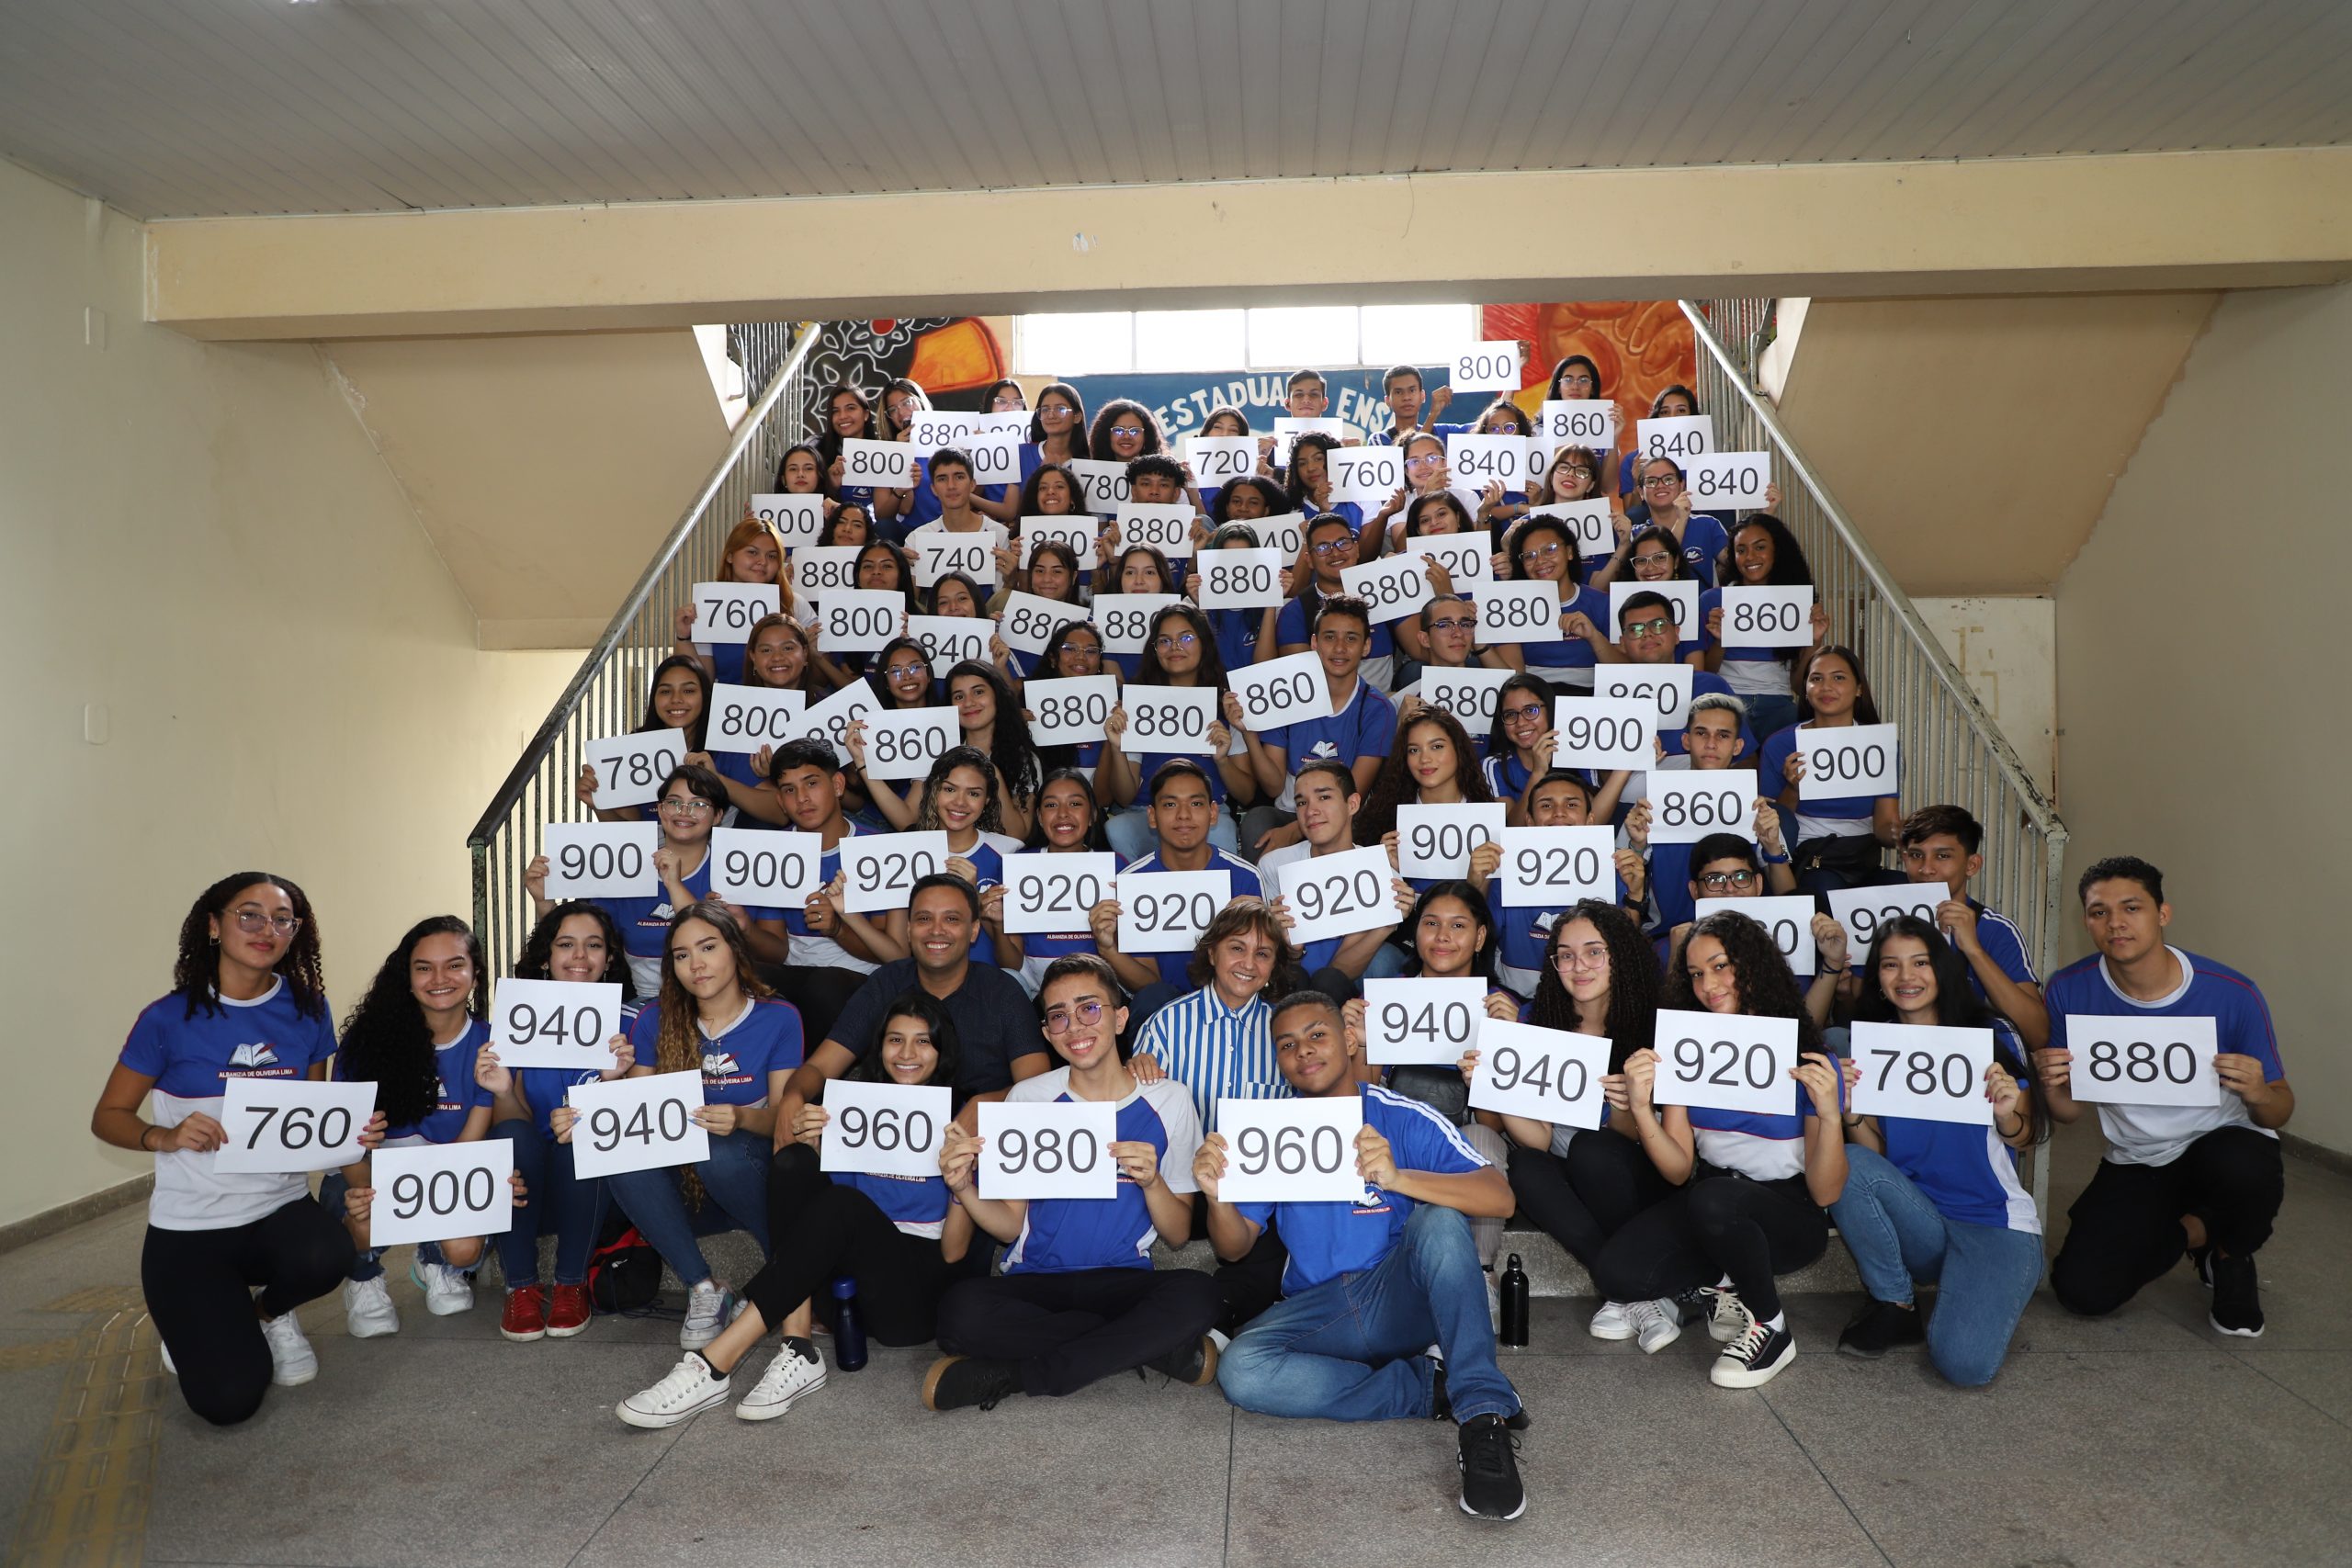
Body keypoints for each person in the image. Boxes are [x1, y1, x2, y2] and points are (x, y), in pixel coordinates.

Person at [1205, 990, 1528, 1524]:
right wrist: (1216, 1197)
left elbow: (1501, 1197)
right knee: (1241, 1370)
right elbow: (1233, 1245)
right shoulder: (1268, 1130)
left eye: (1317, 1035)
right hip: (1318, 1306)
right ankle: (1424, 1389)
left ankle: (1483, 1417)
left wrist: (1401, 1179)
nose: (1304, 1051)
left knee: (1440, 1220)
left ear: (1349, 1039)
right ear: (1278, 1059)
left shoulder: (1400, 1115)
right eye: (1287, 1045)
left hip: (1395, 1295)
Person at [614, 994, 983, 1427]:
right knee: (793, 1163)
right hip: (846, 1286)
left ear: (943, 1052)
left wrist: (962, 1183)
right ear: (879, 1048)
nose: (906, 1054)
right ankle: (798, 1346)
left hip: (912, 1297)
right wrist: (817, 1151)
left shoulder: (962, 1123)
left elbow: (956, 1253)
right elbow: (822, 1215)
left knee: (843, 1205)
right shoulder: (856, 1112)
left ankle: (712, 1365)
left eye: (923, 1042)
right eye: (895, 1039)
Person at [92, 873, 374, 1425]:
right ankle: (197, 1328)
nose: (266, 929)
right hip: (191, 1227)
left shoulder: (309, 1009)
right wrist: (162, 1135)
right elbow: (108, 1117)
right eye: (249, 915)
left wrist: (356, 1139)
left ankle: (265, 1313)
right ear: (214, 926)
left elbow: (310, 1115)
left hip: (278, 1209)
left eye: (282, 919)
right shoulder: (168, 1019)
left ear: (295, 933)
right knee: (229, 1402)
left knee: (330, 1253)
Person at [924, 956, 1222, 1410]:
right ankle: (1149, 1348)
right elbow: (1008, 1228)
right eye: (1058, 1015)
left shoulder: (1170, 1100)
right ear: (1046, 1033)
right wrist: (963, 1187)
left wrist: (1153, 1181)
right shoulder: (1028, 1097)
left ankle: (1021, 1374)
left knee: (1200, 1294)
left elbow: (1179, 1234)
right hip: (1036, 1282)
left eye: (1089, 1008)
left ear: (1120, 1018)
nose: (1074, 1026)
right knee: (957, 1311)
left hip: (1122, 1281)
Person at [1590, 911, 1851, 1388]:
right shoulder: (1687, 1051)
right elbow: (1676, 1170)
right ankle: (1721, 1279)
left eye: (1720, 966)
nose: (1708, 984)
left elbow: (1826, 1192)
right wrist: (1645, 1109)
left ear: (1753, 965)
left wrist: (1831, 1116)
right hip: (1711, 1203)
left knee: (1714, 1196)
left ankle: (1771, 1328)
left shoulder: (1809, 1058)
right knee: (1618, 1274)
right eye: (1695, 974)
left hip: (1787, 1215)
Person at [2039, 857, 2291, 1336]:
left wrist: (2258, 1091)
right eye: (2098, 912)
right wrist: (2054, 1083)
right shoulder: (2069, 991)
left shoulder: (2232, 992)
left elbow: (2281, 1105)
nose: (2115, 923)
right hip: (2136, 1157)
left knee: (2245, 1166)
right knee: (2082, 1293)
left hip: (2221, 1143)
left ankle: (2231, 1255)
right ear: (2086, 922)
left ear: (2162, 914)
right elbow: (2068, 1114)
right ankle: (2202, 1229)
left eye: (2131, 907)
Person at [557, 903, 802, 1350]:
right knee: (622, 1158)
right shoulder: (654, 1019)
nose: (696, 964)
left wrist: (744, 1117)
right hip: (685, 1188)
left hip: (749, 1175)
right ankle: (703, 1287)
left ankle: (786, 1276)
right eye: (682, 955)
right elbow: (635, 1116)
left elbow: (785, 1123)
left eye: (708, 948)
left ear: (735, 949)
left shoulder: (778, 1017)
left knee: (723, 1150)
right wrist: (583, 1116)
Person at [1831, 918, 2044, 1384]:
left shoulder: (1990, 1033)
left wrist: (2007, 1112)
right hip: (1922, 1218)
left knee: (1964, 1367)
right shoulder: (1874, 1042)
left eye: (1920, 962)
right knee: (1844, 1160)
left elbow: (2025, 1139)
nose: (1906, 977)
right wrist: (1848, 1111)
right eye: (1891, 966)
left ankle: (1971, 1286)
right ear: (1878, 980)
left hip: (1992, 1223)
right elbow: (1877, 1161)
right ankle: (1896, 1301)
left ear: (1942, 969)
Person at [1480, 902, 1677, 1345]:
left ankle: (1634, 1279)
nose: (1579, 966)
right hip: (1567, 1175)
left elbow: (1647, 1146)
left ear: (1619, 956)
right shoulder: (1535, 1022)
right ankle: (1626, 1288)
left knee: (1593, 1149)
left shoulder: (1653, 1027)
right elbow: (1539, 1138)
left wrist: (1629, 1104)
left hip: (1634, 1177)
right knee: (1527, 1164)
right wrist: (1499, 1084)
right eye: (1565, 955)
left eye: (1593, 952)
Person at [774, 874, 1052, 1140]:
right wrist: (794, 1095)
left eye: (952, 919)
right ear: (908, 930)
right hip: (889, 1141)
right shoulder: (887, 982)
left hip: (980, 1141)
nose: (936, 930)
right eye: (923, 919)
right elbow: (821, 1067)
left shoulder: (1002, 992)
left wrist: (989, 1102)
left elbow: (1037, 1087)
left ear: (974, 930)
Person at [319, 917, 496, 1336]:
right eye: (423, 967)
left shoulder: (490, 1042)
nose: (439, 979)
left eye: (454, 965)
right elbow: (345, 1141)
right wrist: (361, 1192)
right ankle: (364, 1278)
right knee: (359, 1218)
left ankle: (436, 1260)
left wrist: (452, 1206)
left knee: (464, 1249)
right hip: (368, 1171)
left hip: (442, 1175)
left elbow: (469, 1146)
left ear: (475, 973)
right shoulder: (365, 1043)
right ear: (408, 975)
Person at [485, 901, 638, 1341]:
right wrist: (501, 1091)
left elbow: (631, 1128)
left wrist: (609, 1081)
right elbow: (514, 1119)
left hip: (587, 1189)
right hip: (527, 1183)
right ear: (547, 958)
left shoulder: (630, 1024)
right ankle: (521, 1288)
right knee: (510, 1132)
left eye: (593, 946)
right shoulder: (515, 1022)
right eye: (566, 945)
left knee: (582, 1133)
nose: (579, 957)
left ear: (609, 958)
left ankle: (571, 1285)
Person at [528, 762, 775, 997]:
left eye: (698, 805)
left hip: (713, 997)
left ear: (719, 816)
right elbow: (586, 940)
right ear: (659, 810)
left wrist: (675, 885)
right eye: (673, 803)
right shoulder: (625, 867)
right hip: (641, 1002)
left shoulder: (736, 869)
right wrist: (544, 904)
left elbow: (770, 953)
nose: (684, 812)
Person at [1098, 759, 1266, 1023]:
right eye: (1170, 804)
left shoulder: (1245, 877)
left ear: (1213, 813)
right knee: (1152, 997)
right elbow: (1148, 986)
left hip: (1231, 1002)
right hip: (1163, 1012)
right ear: (1152, 816)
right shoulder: (1133, 881)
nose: (1184, 815)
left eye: (1196, 803)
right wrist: (1107, 949)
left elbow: (1258, 969)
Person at [1239, 595, 1397, 854]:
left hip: (1343, 818)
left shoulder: (1377, 709)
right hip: (1290, 811)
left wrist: (1294, 832)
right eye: (1330, 637)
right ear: (1314, 642)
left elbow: (1352, 793)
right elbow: (1272, 786)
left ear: (1366, 646)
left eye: (1351, 638)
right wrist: (1248, 734)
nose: (1339, 648)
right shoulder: (1287, 695)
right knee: (1257, 823)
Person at [1100, 603, 1254, 860]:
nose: (1175, 647)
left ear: (1204, 644)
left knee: (1222, 831)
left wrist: (1223, 760)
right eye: (1164, 641)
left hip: (1209, 816)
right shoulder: (1140, 706)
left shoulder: (1226, 707)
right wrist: (1117, 748)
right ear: (1154, 650)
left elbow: (1247, 794)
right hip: (1146, 814)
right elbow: (1125, 797)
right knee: (1117, 827)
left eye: (1186, 637)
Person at [1626, 693, 1788, 936]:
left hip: (1742, 933)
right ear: (1686, 741)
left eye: (1723, 735)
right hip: (1669, 934)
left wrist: (1773, 847)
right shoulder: (1653, 802)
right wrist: (1637, 848)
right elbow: (1622, 885)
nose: (1711, 743)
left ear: (1738, 746)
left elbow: (1789, 894)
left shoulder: (1752, 805)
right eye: (1701, 733)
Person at [1896, 804, 2050, 1048]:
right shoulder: (1883, 922)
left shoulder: (1994, 929)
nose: (1926, 869)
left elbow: (2036, 1035)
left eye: (1942, 856)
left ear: (1972, 865)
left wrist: (1974, 950)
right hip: (1896, 1049)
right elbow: (1856, 1013)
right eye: (1916, 855)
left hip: (1967, 1058)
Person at [1491, 770, 1649, 998]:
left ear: (1590, 820)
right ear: (1529, 821)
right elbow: (1482, 939)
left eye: (1571, 805)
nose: (1559, 814)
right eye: (1546, 806)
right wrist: (1477, 882)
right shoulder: (1504, 875)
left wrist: (1635, 894)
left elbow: (1626, 944)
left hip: (1591, 997)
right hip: (1519, 1001)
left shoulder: (1615, 869)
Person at [1259, 758, 1410, 997]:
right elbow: (1279, 966)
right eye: (1301, 802)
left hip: (1348, 981)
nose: (1311, 811)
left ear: (1352, 804)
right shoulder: (1274, 864)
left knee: (1384, 960)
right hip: (1294, 977)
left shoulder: (1378, 868)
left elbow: (1337, 974)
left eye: (1324, 797)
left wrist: (1386, 925)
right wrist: (1292, 950)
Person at [1758, 645, 1901, 895]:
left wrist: (1903, 832)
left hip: (1863, 857)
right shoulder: (1779, 743)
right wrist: (1793, 789)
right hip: (1810, 858)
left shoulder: (1881, 745)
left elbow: (1884, 828)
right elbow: (1774, 827)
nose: (1826, 687)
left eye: (1838, 677)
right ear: (1805, 688)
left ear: (1858, 689)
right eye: (1816, 679)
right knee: (1828, 895)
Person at [1697, 513, 1827, 739]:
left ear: (1777, 551)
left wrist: (1815, 641)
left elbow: (1798, 687)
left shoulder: (1796, 602)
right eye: (1741, 550)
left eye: (1760, 547)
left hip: (1779, 704)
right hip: (1727, 700)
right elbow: (1705, 675)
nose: (1750, 557)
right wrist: (1721, 641)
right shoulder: (1711, 600)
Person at [998, 769, 1111, 993]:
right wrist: (996, 923)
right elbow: (1011, 964)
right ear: (1039, 817)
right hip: (1034, 991)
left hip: (1099, 985)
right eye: (1051, 805)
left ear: (1093, 816)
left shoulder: (1116, 866)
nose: (1063, 814)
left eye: (1075, 804)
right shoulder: (1017, 865)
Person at [1268, 514, 1396, 691]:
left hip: (1385, 702)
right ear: (1309, 560)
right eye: (1322, 548)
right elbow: (1305, 685)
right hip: (1327, 705)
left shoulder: (1386, 591)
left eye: (1343, 543)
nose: (1335, 552)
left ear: (1357, 549)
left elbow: (1421, 649)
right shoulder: (1295, 611)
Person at [673, 516, 790, 688]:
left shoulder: (793, 603)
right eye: (752, 552)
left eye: (772, 556)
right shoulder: (708, 605)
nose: (763, 562)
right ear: (729, 556)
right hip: (730, 710)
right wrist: (683, 637)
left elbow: (818, 677)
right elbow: (703, 682)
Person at [1368, 362, 1463, 446]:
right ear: (1388, 400)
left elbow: (1477, 430)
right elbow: (1410, 458)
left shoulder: (1444, 432)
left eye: (1412, 390)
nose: (1406, 397)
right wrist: (1432, 416)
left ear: (1422, 396)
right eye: (1398, 392)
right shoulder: (1379, 440)